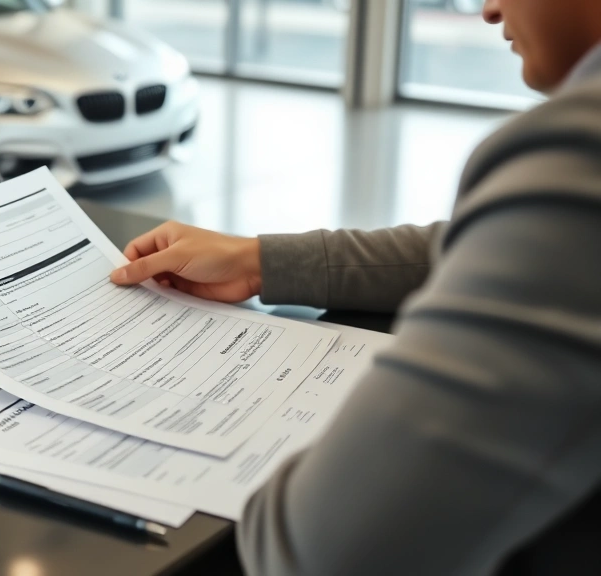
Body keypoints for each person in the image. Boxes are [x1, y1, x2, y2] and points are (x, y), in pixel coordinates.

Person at [109, 1, 601, 574]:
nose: (490, 9)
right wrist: (260, 261)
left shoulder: (581, 153)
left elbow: (318, 553)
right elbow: (491, 244)